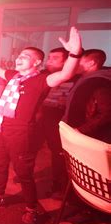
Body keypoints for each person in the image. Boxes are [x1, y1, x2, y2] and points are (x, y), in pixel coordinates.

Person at [0, 26, 82, 224]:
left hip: (22, 132)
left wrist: (75, 53)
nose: (19, 58)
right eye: (19, 55)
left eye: (25, 56)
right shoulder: (14, 76)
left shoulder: (41, 80)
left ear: (36, 62)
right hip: (1, 127)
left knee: (24, 173)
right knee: (0, 164)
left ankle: (32, 209)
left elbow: (65, 75)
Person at [61, 49, 110, 224]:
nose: (76, 64)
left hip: (97, 139)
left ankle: (91, 211)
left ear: (91, 63)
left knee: (94, 176)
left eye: (80, 61)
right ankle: (80, 206)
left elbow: (106, 114)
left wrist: (81, 130)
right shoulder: (89, 80)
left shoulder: (101, 84)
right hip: (88, 136)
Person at [36, 47, 75, 197]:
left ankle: (58, 185)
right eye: (49, 57)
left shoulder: (74, 79)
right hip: (41, 116)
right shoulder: (44, 76)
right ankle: (25, 174)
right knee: (31, 147)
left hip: (58, 120)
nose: (49, 61)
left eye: (55, 58)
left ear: (66, 61)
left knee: (58, 153)